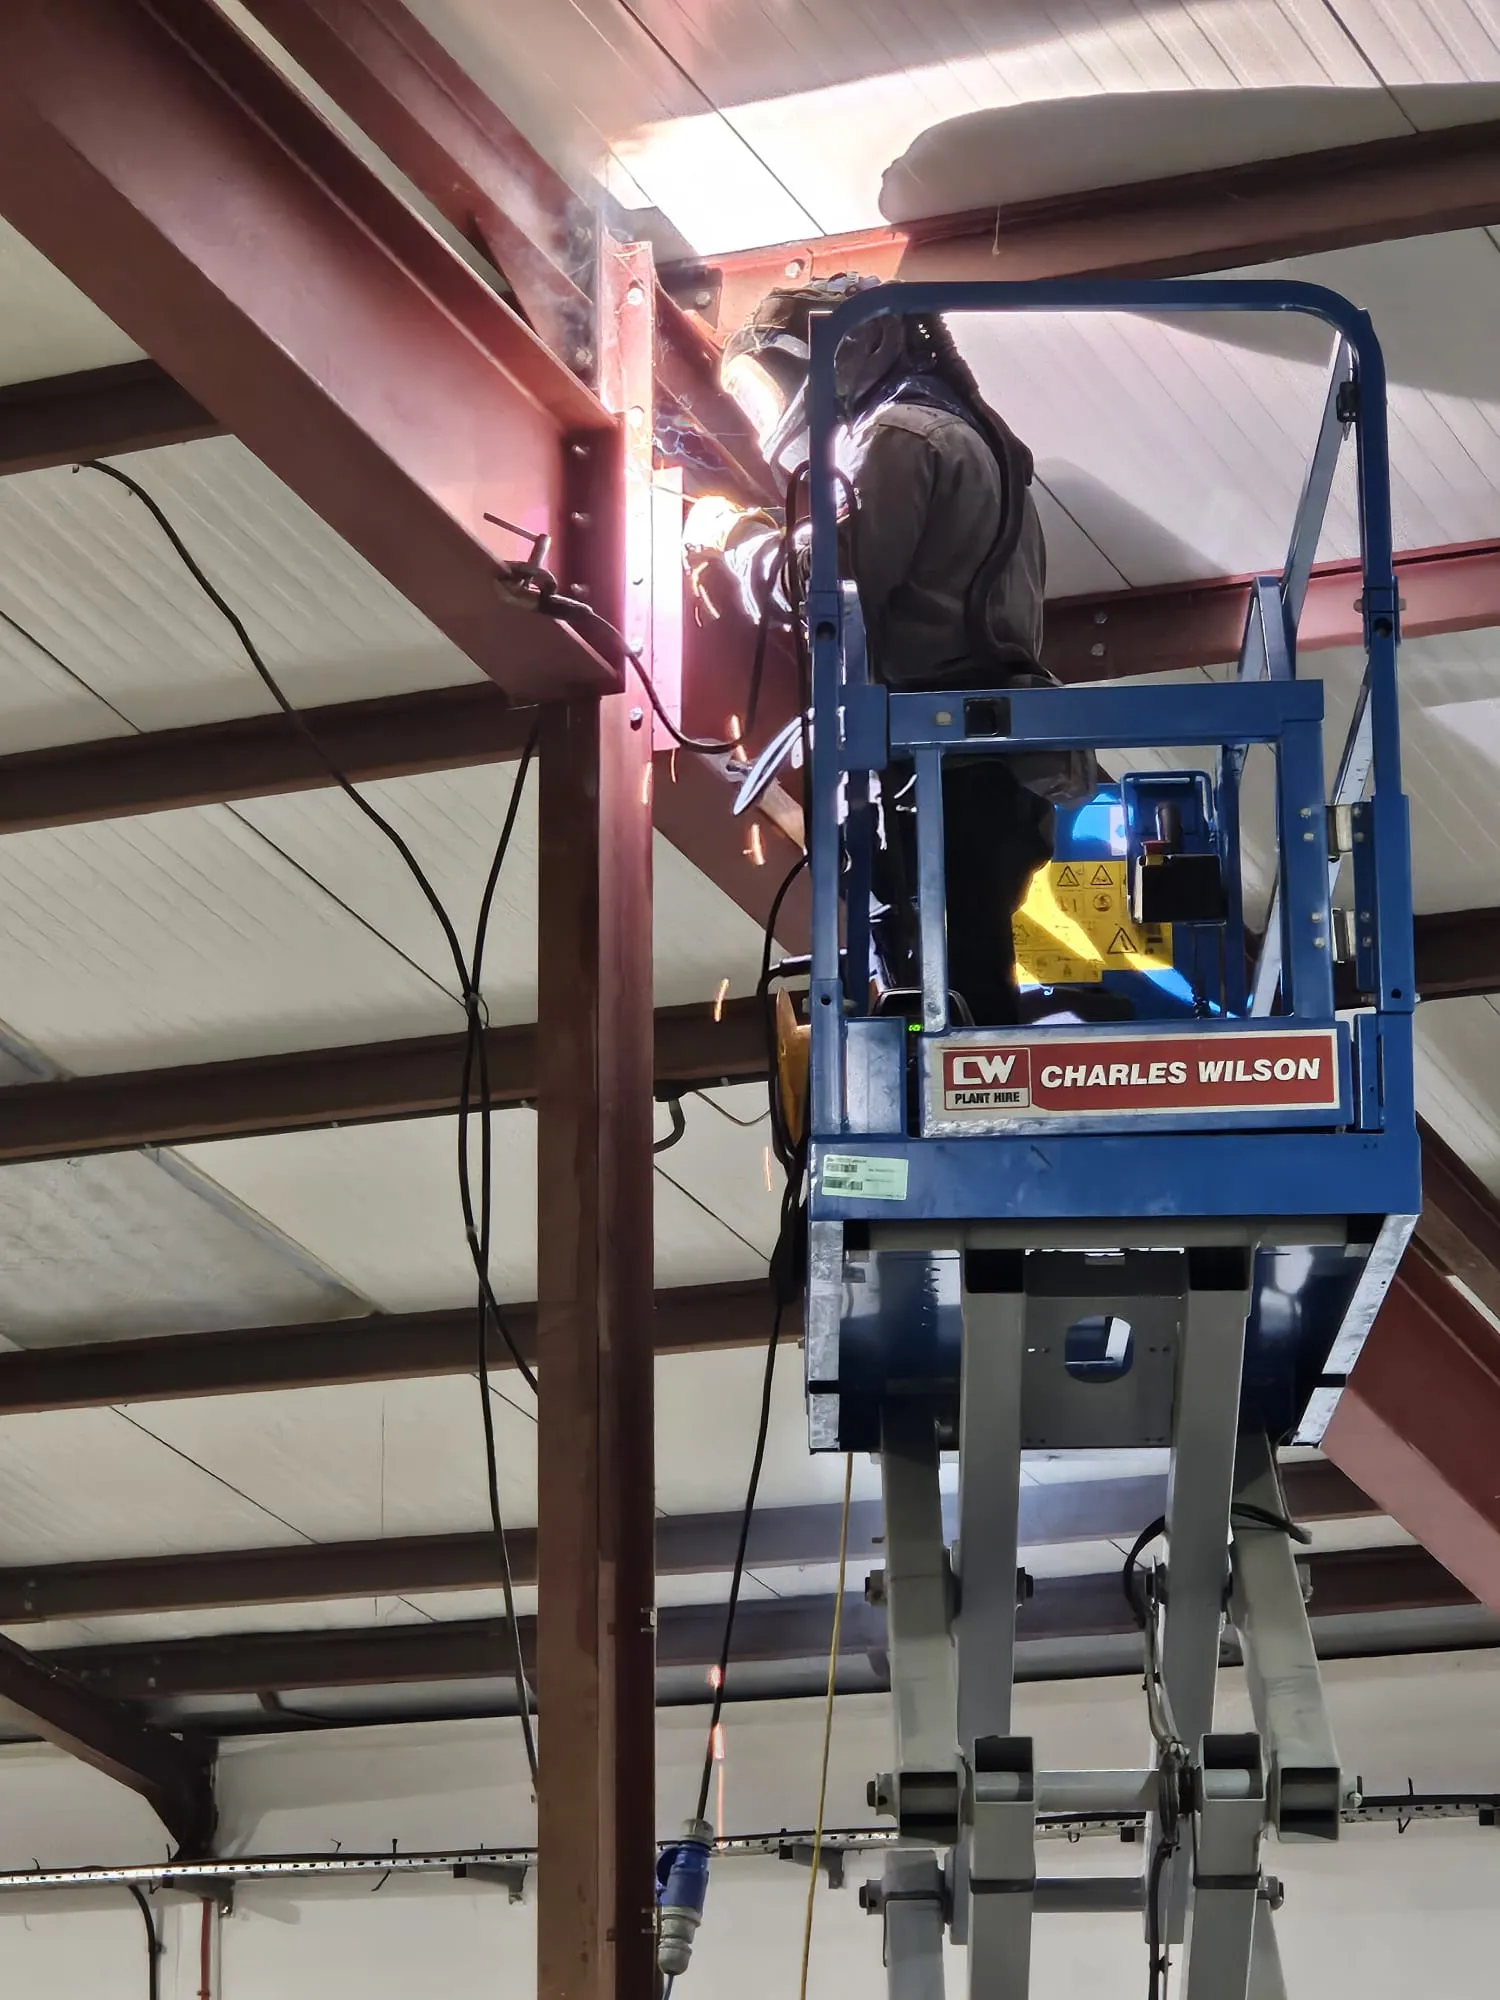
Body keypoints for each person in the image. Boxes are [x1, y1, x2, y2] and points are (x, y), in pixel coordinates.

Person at [684, 277, 1095, 1027]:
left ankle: (972, 1086)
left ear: (855, 347)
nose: (777, 402)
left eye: (777, 378)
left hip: (951, 765)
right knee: (946, 973)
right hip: (975, 764)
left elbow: (830, 579)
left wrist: (735, 540)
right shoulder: (960, 436)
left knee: (952, 980)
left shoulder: (903, 435)